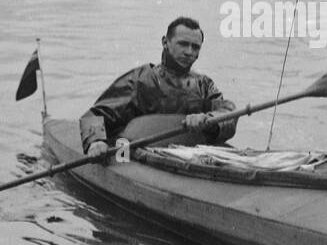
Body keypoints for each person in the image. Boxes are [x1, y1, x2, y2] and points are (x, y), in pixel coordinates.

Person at [80, 17, 237, 156]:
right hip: (137, 154)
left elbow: (227, 114)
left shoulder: (204, 84)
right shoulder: (139, 80)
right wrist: (95, 142)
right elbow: (94, 115)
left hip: (186, 155)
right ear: (165, 42)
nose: (189, 52)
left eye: (195, 47)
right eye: (183, 44)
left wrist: (208, 120)